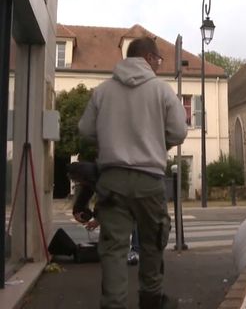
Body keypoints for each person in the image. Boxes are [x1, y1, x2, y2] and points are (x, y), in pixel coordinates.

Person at [77, 36, 187, 309]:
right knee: (152, 241)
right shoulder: (162, 92)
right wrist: (155, 141)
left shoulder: (103, 91)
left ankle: (113, 303)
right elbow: (179, 132)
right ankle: (151, 299)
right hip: (149, 180)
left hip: (112, 180)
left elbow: (85, 130)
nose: (159, 66)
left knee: (114, 248)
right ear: (148, 58)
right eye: (159, 60)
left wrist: (112, 138)